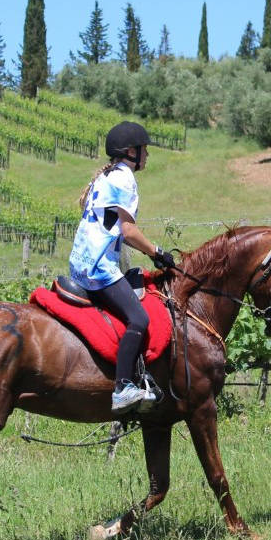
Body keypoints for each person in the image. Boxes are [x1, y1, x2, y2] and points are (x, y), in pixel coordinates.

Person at [69, 121, 176, 413]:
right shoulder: (125, 179)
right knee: (139, 319)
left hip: (81, 262)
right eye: (144, 150)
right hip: (98, 268)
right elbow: (128, 232)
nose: (147, 156)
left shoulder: (107, 177)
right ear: (131, 152)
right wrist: (158, 252)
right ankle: (123, 388)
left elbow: (116, 230)